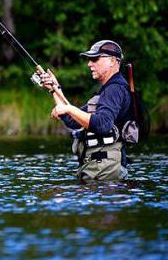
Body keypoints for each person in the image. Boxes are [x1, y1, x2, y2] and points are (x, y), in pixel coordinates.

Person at [40, 40, 132, 181]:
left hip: (106, 174)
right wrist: (54, 88)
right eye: (89, 59)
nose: (89, 64)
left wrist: (69, 108)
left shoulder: (115, 89)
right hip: (99, 171)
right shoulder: (107, 91)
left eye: (95, 59)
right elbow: (72, 120)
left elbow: (102, 124)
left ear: (113, 61)